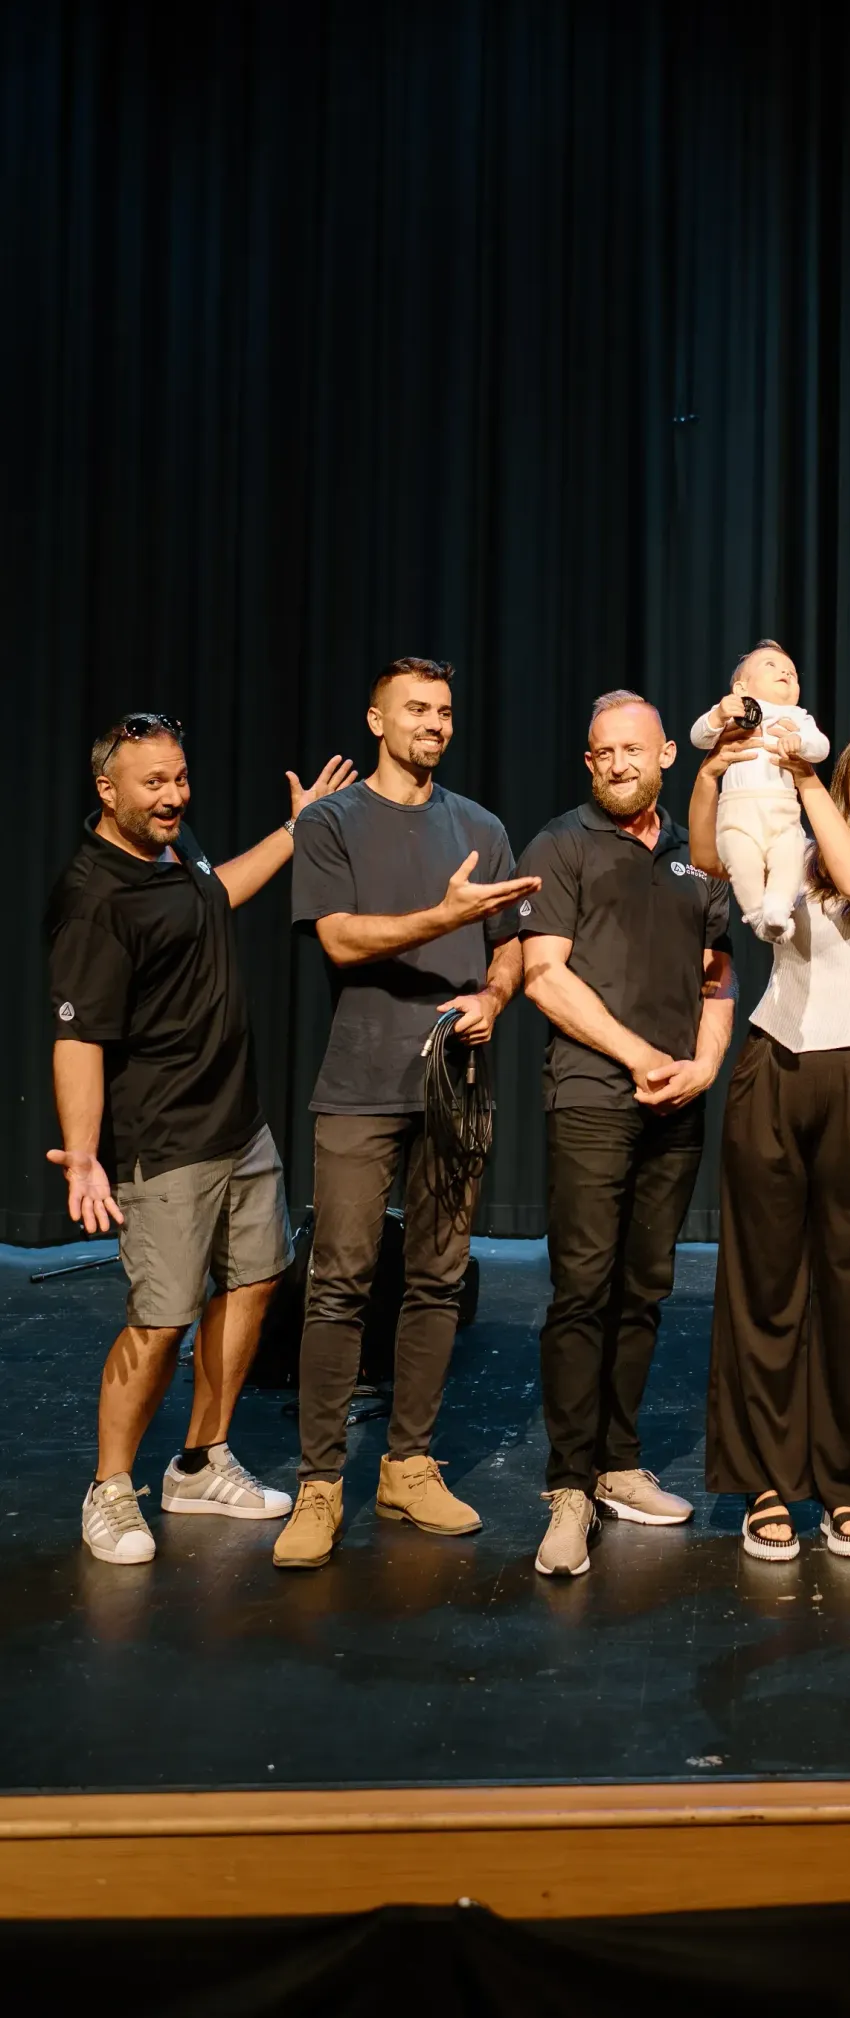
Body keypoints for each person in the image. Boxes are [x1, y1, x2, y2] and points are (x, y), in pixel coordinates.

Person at [46, 712, 355, 1564]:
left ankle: (198, 1463)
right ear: (107, 790)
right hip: (166, 1140)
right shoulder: (94, 899)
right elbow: (77, 1038)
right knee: (161, 1319)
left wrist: (294, 832)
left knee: (254, 1281)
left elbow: (218, 895)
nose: (173, 796)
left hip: (238, 1122)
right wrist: (83, 1155)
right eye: (153, 783)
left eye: (179, 778)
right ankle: (109, 1489)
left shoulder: (174, 849)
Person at [273, 658, 540, 1571]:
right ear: (375, 720)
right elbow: (341, 939)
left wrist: (495, 998)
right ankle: (319, 1482)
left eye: (445, 711)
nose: (434, 723)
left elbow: (509, 946)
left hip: (454, 1085)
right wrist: (441, 914)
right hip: (359, 1084)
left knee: (438, 1278)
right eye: (416, 709)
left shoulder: (482, 826)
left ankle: (408, 1464)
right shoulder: (331, 822)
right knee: (339, 1282)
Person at [693, 723, 850, 1562]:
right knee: (763, 1282)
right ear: (847, 789)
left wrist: (805, 780)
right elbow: (711, 857)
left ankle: (849, 1485)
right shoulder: (796, 853)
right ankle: (766, 1481)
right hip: (770, 1065)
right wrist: (715, 776)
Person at [517, 691, 737, 1579]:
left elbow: (718, 976)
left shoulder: (699, 857)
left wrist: (706, 1063)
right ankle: (569, 1487)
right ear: (589, 762)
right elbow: (543, 977)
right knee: (583, 1290)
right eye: (603, 752)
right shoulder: (561, 845)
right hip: (591, 1097)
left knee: (645, 1288)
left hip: (676, 1104)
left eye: (632, 750)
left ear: (665, 757)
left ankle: (617, 1463)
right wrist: (639, 1053)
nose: (617, 764)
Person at [689, 640, 831, 941]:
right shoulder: (733, 712)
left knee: (789, 856)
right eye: (771, 666)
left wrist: (801, 743)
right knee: (742, 861)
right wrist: (717, 717)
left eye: (792, 672)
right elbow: (698, 738)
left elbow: (822, 747)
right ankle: (757, 915)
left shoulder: (798, 718)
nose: (786, 673)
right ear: (741, 688)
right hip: (737, 816)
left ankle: (778, 908)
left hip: (783, 814)